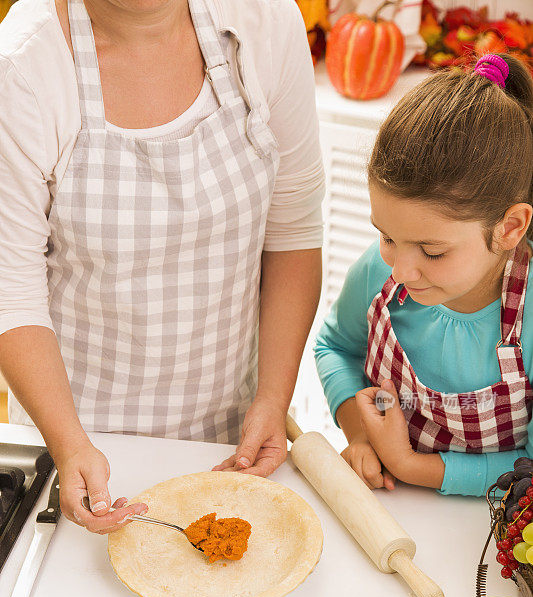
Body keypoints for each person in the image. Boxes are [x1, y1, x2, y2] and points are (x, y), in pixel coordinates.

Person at [0, 0, 324, 531]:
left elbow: (291, 234)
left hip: (232, 436)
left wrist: (272, 397)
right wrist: (69, 444)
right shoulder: (22, 68)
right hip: (79, 449)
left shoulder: (263, 22)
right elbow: (12, 295)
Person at [315, 53, 533, 497]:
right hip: (385, 506)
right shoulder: (379, 272)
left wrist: (409, 465)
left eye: (432, 251)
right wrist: (359, 432)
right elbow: (333, 347)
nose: (401, 269)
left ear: (509, 228)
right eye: (387, 236)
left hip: (487, 533)